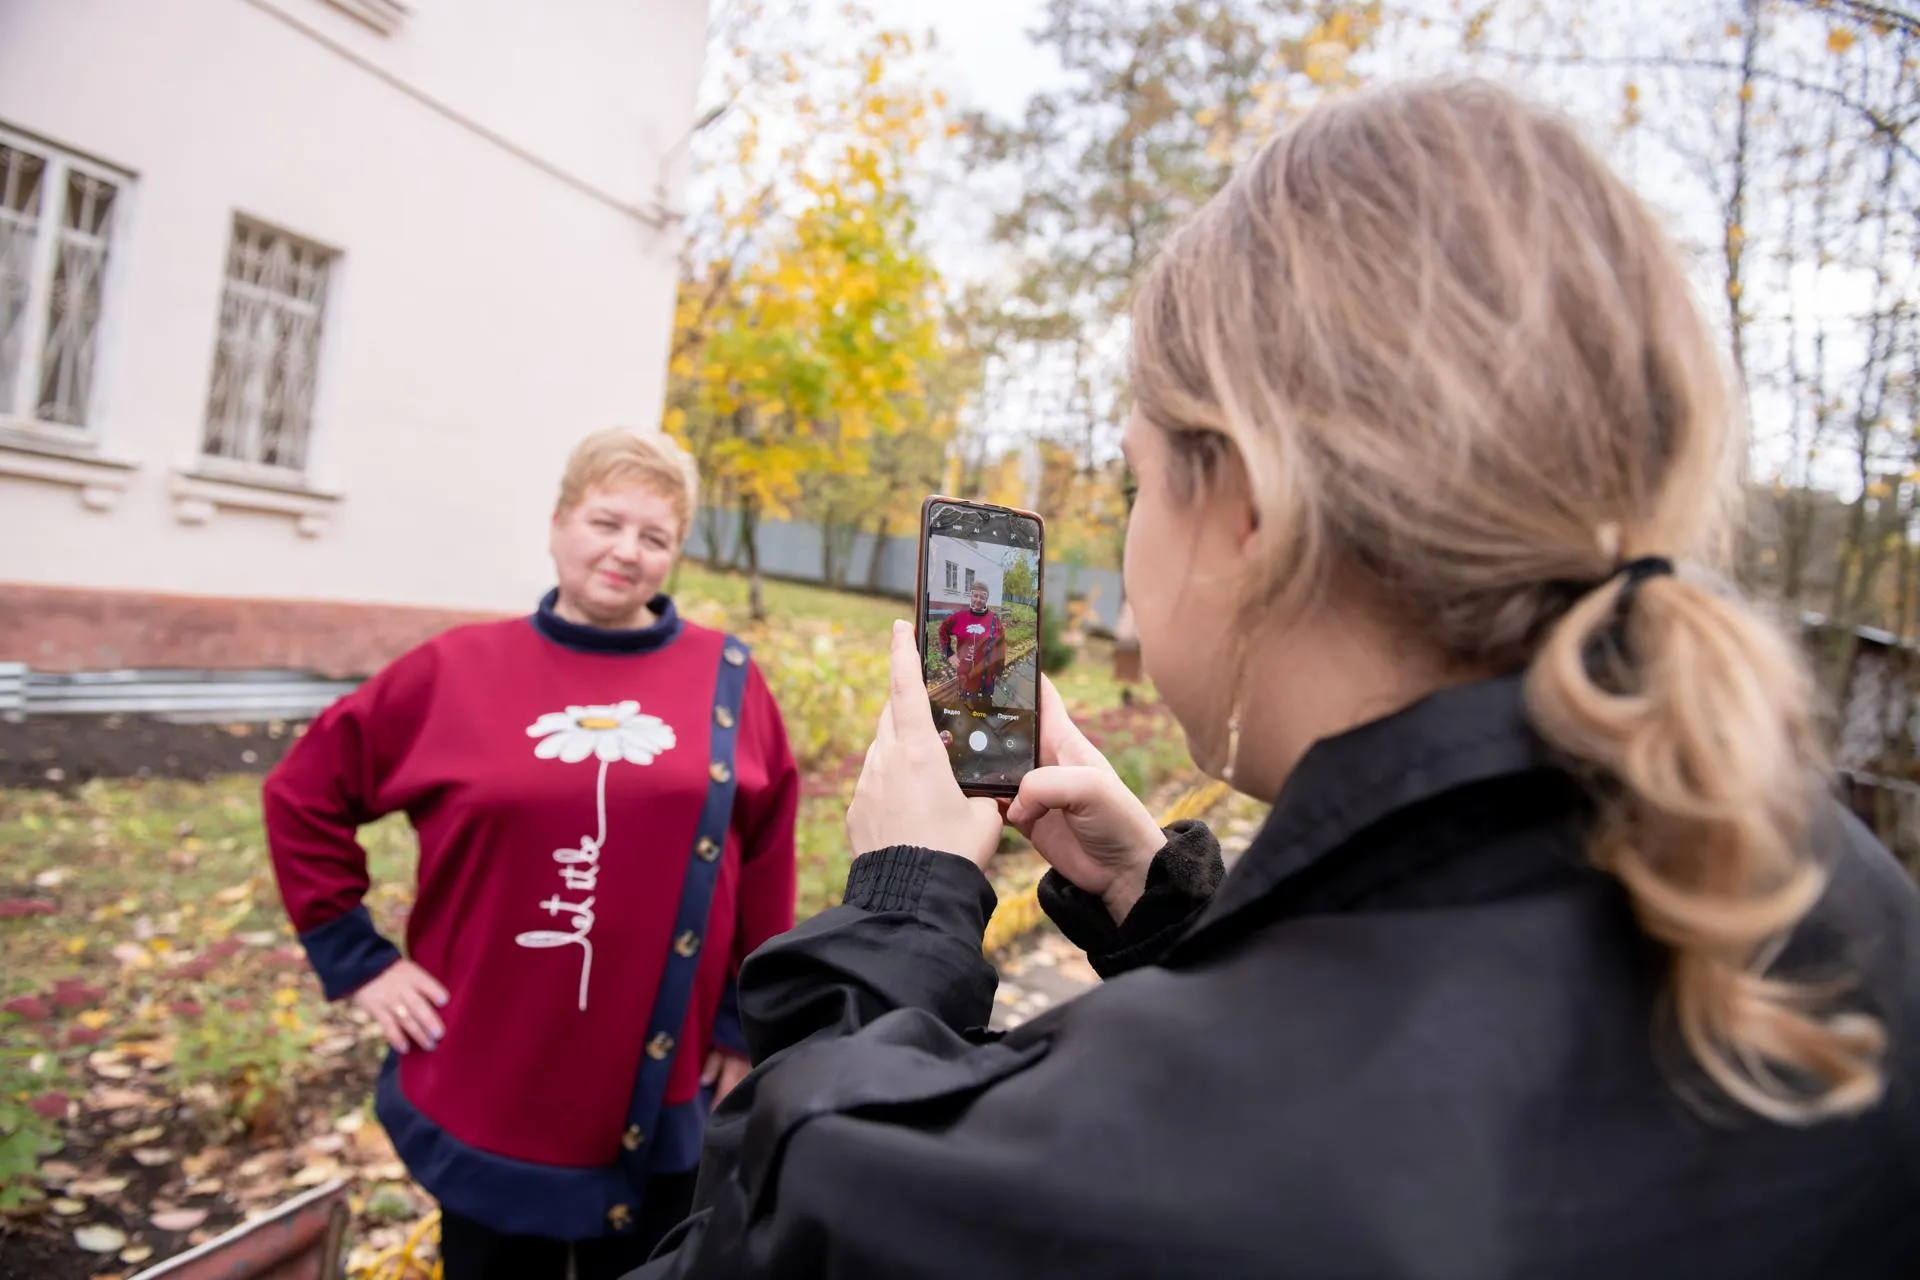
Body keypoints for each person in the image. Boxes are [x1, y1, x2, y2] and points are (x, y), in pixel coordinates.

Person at [630, 80, 1920, 1278]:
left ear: (1246, 504)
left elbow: (785, 1228)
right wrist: (1163, 906)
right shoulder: (1823, 877)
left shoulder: (1111, 1178)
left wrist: (901, 913)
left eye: (1140, 476)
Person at [264, 430, 798, 1280]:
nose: (626, 551)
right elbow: (303, 795)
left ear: (674, 556)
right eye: (605, 522)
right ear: (557, 524)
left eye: (654, 537)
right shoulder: (455, 672)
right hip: (497, 1077)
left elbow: (766, 852)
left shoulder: (727, 677)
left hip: (668, 1083)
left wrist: (746, 1016)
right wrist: (357, 960)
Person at [937, 581, 1006, 714]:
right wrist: (949, 653)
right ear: (971, 596)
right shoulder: (959, 617)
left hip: (987, 678)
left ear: (987, 599)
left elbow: (1000, 645)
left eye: (983, 597)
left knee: (983, 713)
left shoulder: (994, 620)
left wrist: (999, 669)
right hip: (965, 678)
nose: (978, 600)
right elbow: (942, 630)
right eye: (975, 596)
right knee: (964, 714)